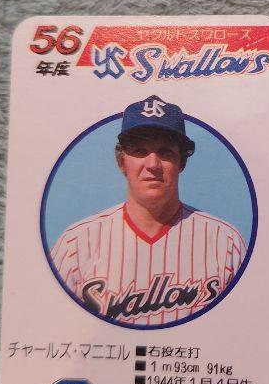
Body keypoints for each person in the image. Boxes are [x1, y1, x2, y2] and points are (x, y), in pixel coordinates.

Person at [51, 95, 247, 326]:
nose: (153, 164)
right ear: (121, 162)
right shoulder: (75, 245)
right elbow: (53, 327)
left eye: (165, 152)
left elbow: (242, 331)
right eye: (139, 151)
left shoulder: (225, 243)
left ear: (181, 163)